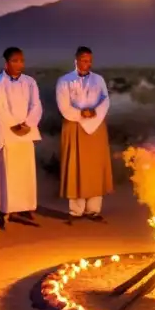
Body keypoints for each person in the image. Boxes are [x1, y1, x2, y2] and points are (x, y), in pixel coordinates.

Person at [56, 46, 113, 222]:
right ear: (76, 60)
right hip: (74, 126)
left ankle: (93, 210)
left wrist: (94, 112)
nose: (87, 64)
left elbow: (105, 100)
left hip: (96, 127)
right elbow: (63, 106)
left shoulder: (99, 80)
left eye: (89, 60)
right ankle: (76, 210)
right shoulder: (64, 81)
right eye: (83, 60)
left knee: (95, 167)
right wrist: (81, 114)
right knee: (76, 167)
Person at [0, 46, 43, 225]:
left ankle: (26, 207)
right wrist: (14, 126)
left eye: (21, 60)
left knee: (25, 172)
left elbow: (36, 105)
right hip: (6, 132)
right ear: (6, 63)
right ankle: (5, 209)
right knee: (7, 173)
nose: (19, 64)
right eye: (15, 61)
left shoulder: (30, 82)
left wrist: (28, 124)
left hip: (26, 132)